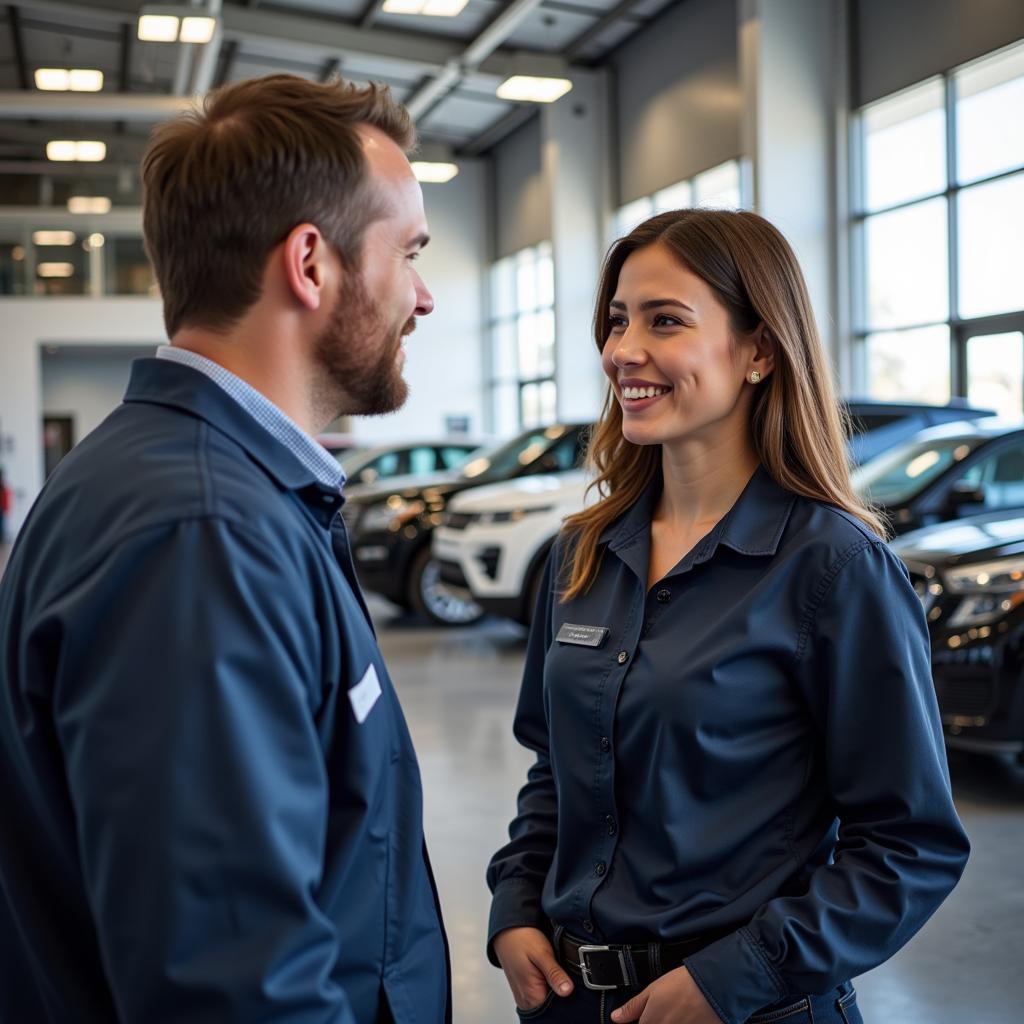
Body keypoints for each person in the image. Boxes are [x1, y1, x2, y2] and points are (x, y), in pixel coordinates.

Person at [0, 75, 450, 1022]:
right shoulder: (201, 537)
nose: (424, 296)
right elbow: (234, 989)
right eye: (407, 254)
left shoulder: (189, 486)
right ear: (310, 264)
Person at [486, 209, 970, 1024]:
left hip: (748, 1009)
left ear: (759, 351)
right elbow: (555, 771)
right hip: (567, 1001)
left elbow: (908, 846)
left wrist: (736, 976)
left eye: (664, 320)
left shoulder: (836, 567)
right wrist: (516, 906)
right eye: (616, 321)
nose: (622, 351)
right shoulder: (582, 554)